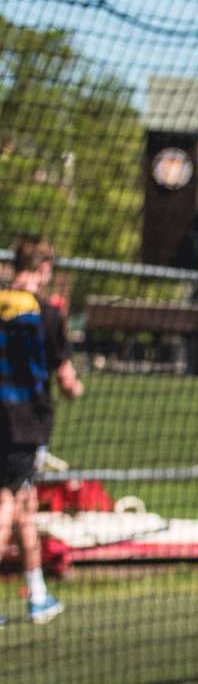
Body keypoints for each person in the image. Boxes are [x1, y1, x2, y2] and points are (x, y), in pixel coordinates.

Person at [0, 236, 84, 625]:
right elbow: (67, 381)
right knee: (7, 504)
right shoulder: (48, 315)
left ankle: (37, 594)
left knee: (26, 508)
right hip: (23, 425)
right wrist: (75, 388)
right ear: (45, 268)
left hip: (8, 422)